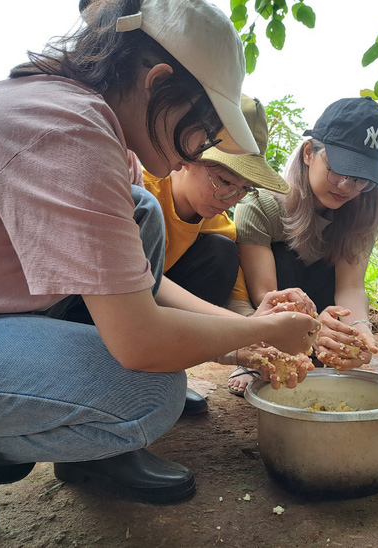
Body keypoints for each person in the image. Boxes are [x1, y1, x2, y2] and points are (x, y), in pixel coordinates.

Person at [0, 1, 320, 546]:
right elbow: (141, 342)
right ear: (158, 82)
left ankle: (90, 458)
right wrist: (263, 333)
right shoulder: (67, 130)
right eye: (202, 130)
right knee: (145, 397)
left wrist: (244, 341)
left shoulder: (94, 126)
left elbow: (132, 290)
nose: (193, 151)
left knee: (140, 209)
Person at [142, 94, 300, 407]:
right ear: (188, 155)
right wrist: (246, 333)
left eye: (244, 189)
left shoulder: (216, 223)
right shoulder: (143, 191)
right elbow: (139, 279)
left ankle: (158, 376)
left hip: (152, 308)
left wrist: (258, 331)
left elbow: (235, 303)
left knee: (222, 252)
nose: (231, 196)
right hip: (97, 305)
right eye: (224, 180)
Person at [228, 97, 378, 395]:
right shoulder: (262, 205)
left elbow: (351, 288)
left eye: (360, 180)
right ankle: (261, 354)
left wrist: (359, 328)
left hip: (322, 318)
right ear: (308, 153)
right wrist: (312, 325)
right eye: (337, 170)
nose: (347, 187)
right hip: (272, 316)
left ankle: (321, 348)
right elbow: (265, 294)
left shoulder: (359, 215)